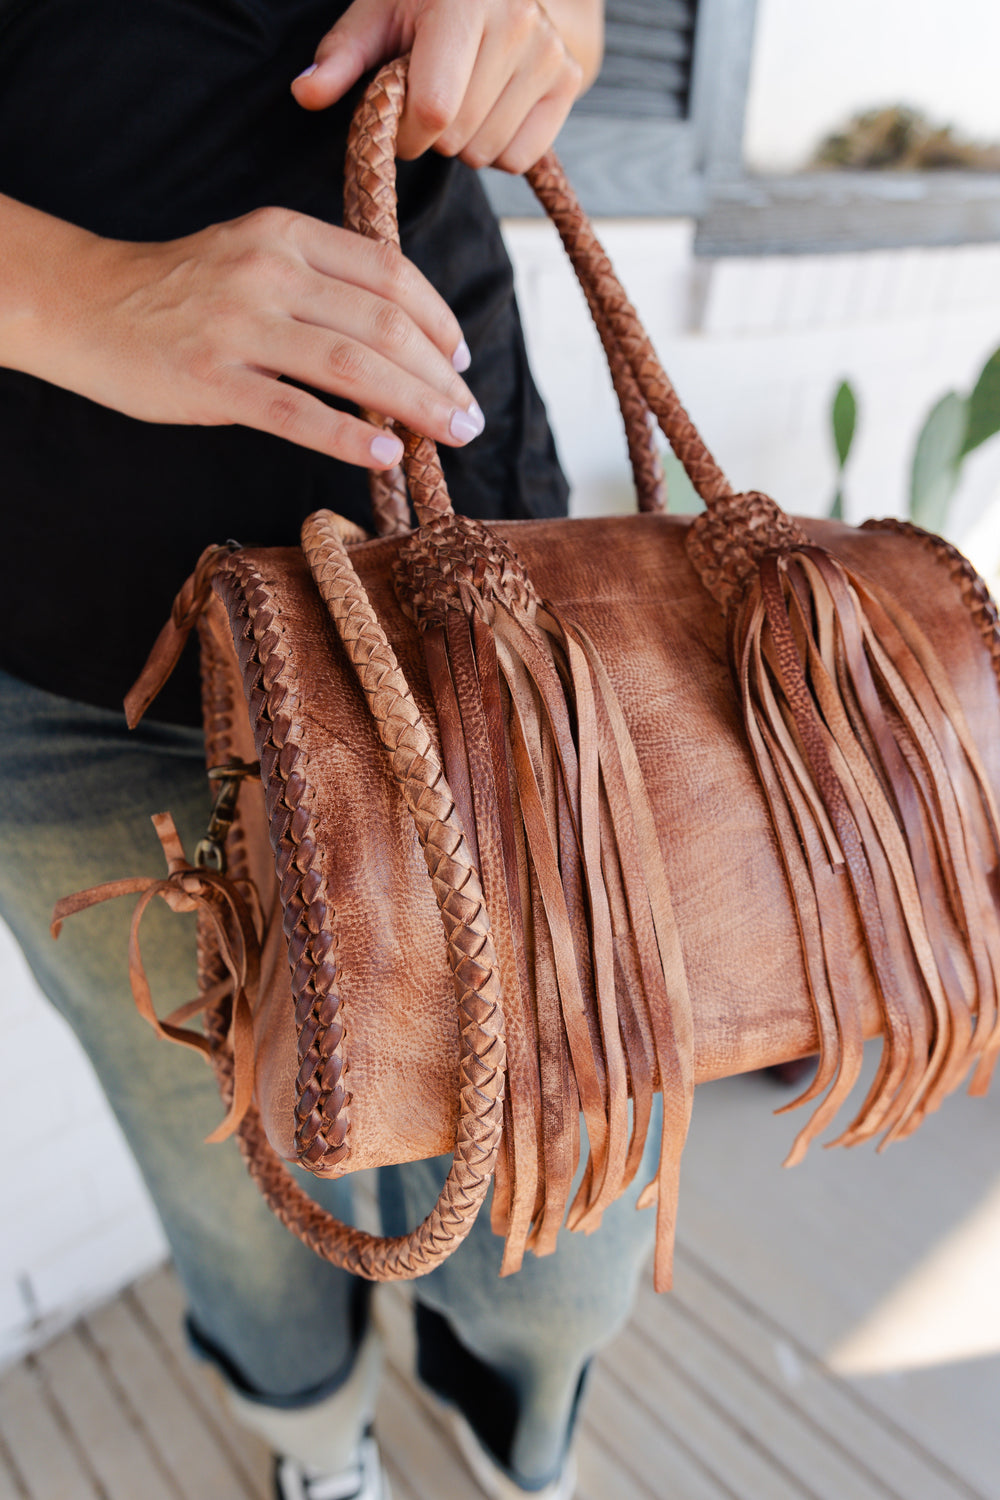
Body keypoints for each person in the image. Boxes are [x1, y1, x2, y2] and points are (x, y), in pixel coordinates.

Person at [0, 3, 663, 1496]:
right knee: (233, 1182)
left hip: (463, 571)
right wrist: (76, 296)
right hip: (70, 647)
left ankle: (509, 1416)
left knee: (563, 1224)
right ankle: (316, 1446)